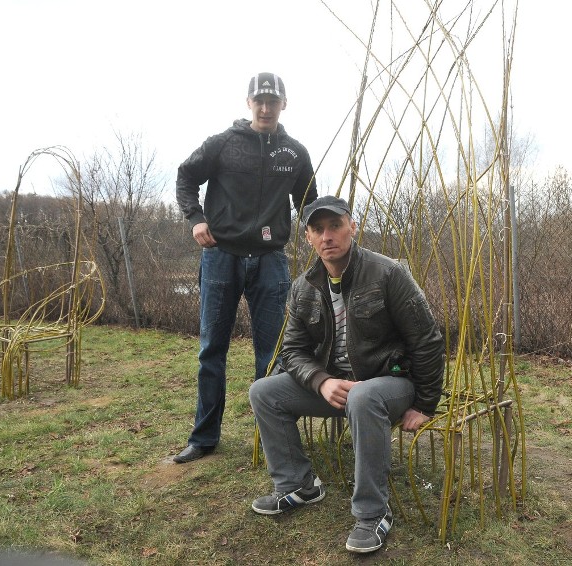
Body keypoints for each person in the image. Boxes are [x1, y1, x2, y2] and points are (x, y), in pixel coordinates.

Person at [249, 196, 445, 553]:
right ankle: (298, 485)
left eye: (335, 226)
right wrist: (321, 381)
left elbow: (427, 338)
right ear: (307, 237)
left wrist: (426, 403)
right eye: (318, 229)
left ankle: (373, 513)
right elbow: (292, 351)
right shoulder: (303, 287)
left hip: (390, 382)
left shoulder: (388, 273)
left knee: (364, 394)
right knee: (264, 391)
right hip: (337, 387)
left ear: (352, 227)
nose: (328, 236)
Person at [173, 72, 318, 463]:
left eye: (273, 101)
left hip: (271, 260)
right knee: (211, 349)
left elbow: (308, 202)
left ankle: (269, 436)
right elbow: (186, 177)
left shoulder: (294, 153)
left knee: (273, 354)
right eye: (260, 101)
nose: (266, 108)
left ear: (284, 104)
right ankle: (204, 439)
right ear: (249, 103)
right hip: (221, 256)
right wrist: (196, 218)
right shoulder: (222, 145)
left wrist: (324, 230)